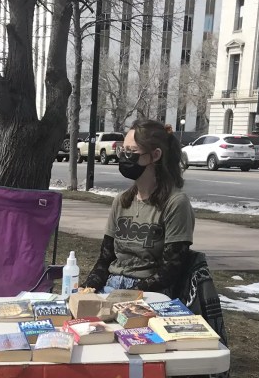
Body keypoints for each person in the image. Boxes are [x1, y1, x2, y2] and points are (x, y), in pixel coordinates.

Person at [82, 119, 194, 296]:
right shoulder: (121, 201)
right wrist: (86, 289)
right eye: (122, 150)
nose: (124, 157)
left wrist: (127, 294)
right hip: (112, 286)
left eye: (131, 152)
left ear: (155, 155)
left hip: (150, 295)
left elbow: (170, 271)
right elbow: (105, 260)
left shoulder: (176, 203)